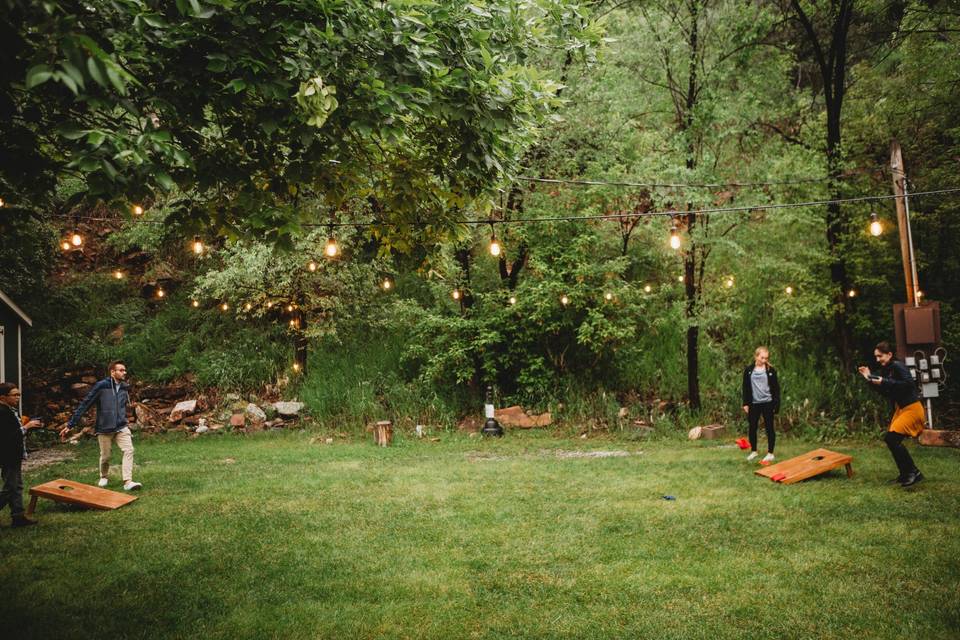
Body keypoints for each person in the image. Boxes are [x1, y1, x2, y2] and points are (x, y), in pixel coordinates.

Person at [61, 361, 142, 491]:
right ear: (112, 372)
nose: (124, 372)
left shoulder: (124, 387)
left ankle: (128, 482)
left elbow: (123, 404)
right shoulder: (101, 386)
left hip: (121, 426)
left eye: (125, 370)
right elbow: (86, 403)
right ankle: (104, 476)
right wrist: (71, 424)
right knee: (106, 456)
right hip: (104, 427)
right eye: (121, 370)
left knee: (129, 450)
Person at [858, 341, 925, 487]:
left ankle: (913, 473)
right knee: (891, 440)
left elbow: (909, 385)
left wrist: (883, 381)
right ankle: (906, 473)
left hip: (912, 408)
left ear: (889, 354)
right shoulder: (888, 370)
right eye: (876, 357)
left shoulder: (897, 366)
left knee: (892, 439)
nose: (877, 360)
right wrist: (870, 379)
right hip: (901, 409)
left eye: (880, 356)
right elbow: (885, 390)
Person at [1, 383, 43, 527]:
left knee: (16, 486)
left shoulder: (11, 410)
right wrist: (27, 426)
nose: (18, 397)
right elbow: (7, 437)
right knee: (10, 488)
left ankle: (18, 517)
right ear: (3, 397)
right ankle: (18, 516)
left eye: (19, 394)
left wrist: (27, 426)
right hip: (7, 454)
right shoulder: (2, 412)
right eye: (15, 395)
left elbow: (16, 432)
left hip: (14, 453)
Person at [741, 346, 781, 463]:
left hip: (768, 403)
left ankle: (770, 453)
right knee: (752, 427)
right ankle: (754, 451)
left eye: (766, 358)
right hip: (754, 404)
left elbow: (776, 389)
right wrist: (746, 403)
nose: (764, 360)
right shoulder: (749, 370)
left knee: (769, 428)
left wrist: (776, 404)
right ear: (756, 356)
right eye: (762, 358)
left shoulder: (770, 371)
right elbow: (745, 388)